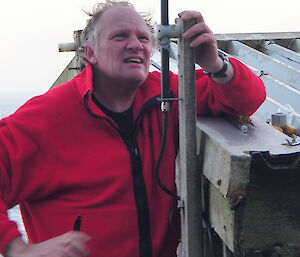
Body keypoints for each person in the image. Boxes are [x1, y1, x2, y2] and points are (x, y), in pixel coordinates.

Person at [0, 1, 266, 257]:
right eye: (119, 36)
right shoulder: (48, 119)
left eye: (143, 38)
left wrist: (214, 64)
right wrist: (16, 247)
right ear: (89, 52)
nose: (135, 45)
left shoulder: (167, 95)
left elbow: (247, 99)